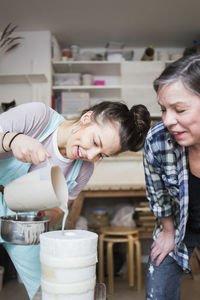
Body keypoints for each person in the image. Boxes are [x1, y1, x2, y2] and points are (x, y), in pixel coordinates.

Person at [0, 100, 150, 299]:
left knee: (48, 287)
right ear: (86, 119)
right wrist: (12, 140)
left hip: (24, 224)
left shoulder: (83, 170)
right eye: (95, 142)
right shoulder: (39, 117)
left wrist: (46, 222)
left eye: (101, 155)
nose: (91, 155)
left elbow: (58, 210)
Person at [143, 53, 200, 300]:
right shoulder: (157, 140)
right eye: (163, 109)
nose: (167, 120)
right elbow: (158, 195)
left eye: (179, 109)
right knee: (159, 287)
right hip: (179, 225)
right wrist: (168, 231)